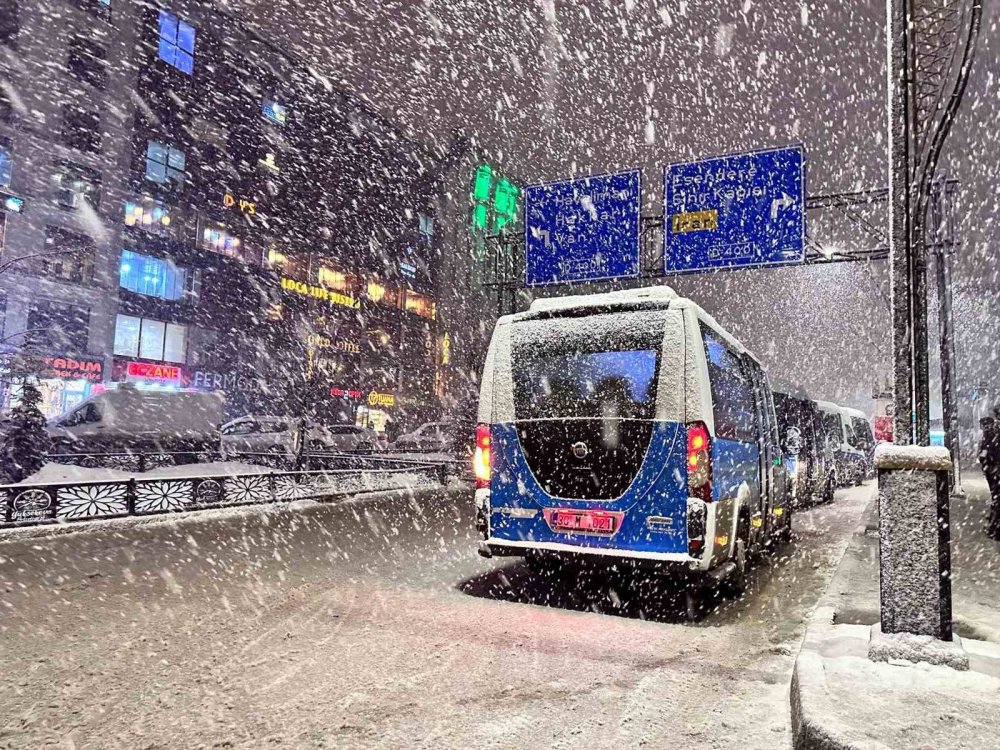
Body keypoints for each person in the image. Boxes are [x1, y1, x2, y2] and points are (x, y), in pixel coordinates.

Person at [978, 413, 1000, 540]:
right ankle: (994, 526)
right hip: (993, 471)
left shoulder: (993, 436)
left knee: (997, 498)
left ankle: (994, 528)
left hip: (994, 471)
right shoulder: (989, 436)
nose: (986, 427)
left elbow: (989, 453)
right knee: (996, 497)